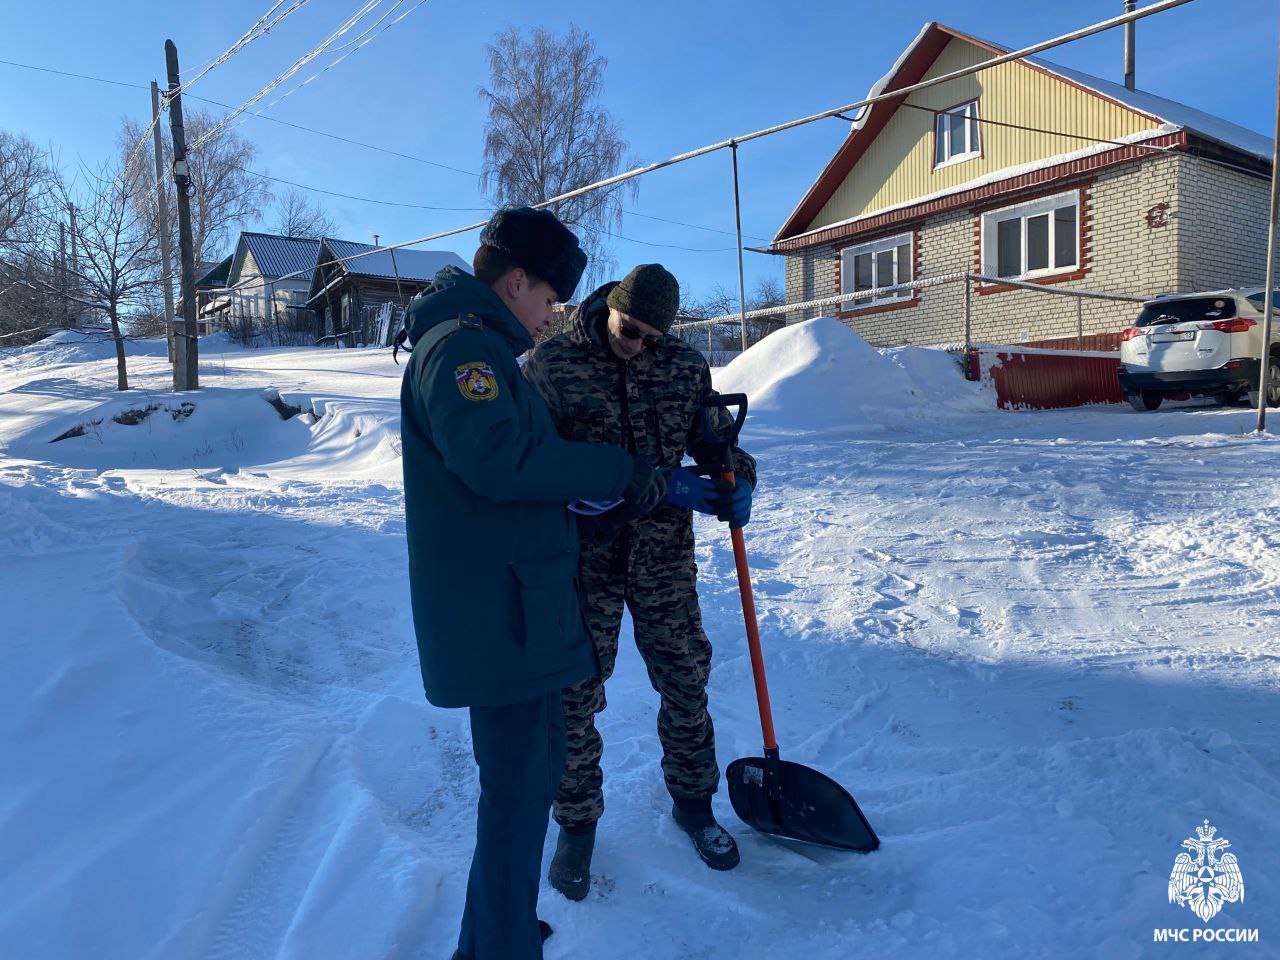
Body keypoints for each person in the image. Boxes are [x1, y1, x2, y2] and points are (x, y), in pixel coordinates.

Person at [399, 208, 668, 959]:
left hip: (523, 608)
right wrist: (613, 471)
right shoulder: (462, 350)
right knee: (516, 796)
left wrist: (583, 512)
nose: (552, 315)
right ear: (516, 281)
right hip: (502, 617)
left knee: (533, 779)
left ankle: (500, 928)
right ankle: (500, 944)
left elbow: (511, 478)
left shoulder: (483, 346)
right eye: (550, 297)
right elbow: (497, 459)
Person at [523, 263, 757, 902]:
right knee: (574, 696)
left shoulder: (683, 366)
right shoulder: (552, 365)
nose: (639, 346)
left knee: (685, 680)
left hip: (663, 557)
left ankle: (694, 804)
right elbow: (532, 461)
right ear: (611, 308)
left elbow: (716, 442)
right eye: (631, 331)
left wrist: (737, 477)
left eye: (654, 338)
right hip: (583, 558)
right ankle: (576, 826)